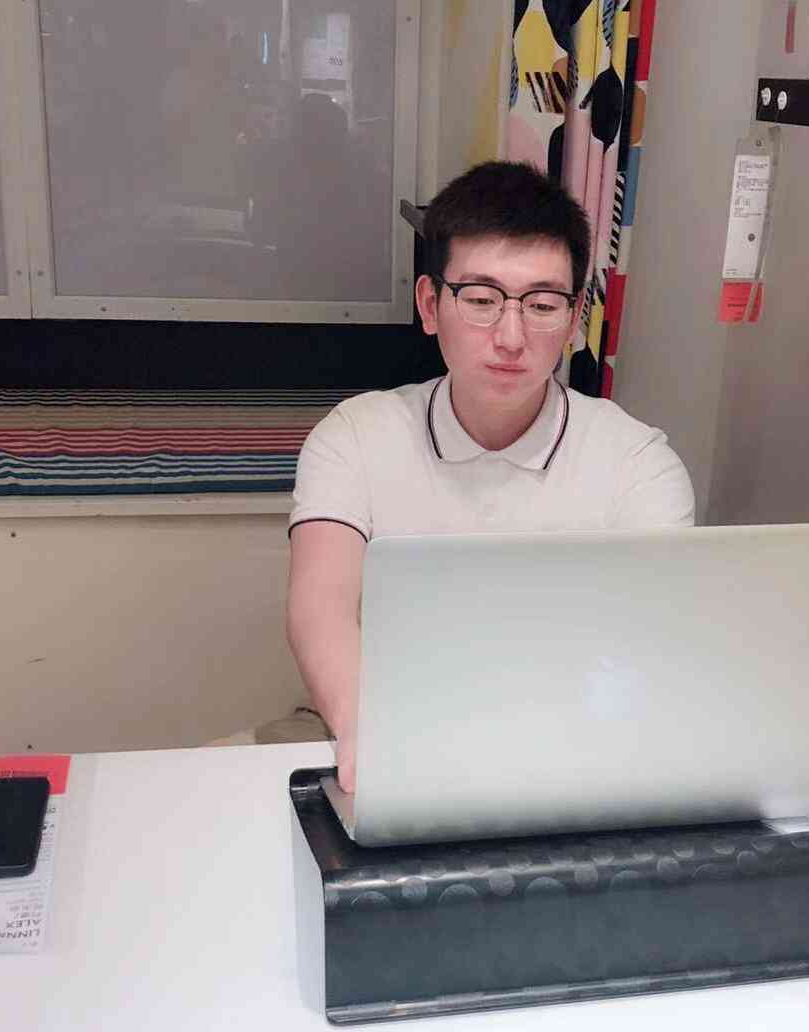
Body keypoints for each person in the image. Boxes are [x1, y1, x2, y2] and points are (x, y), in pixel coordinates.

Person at [286, 161, 694, 793]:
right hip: (392, 742)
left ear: (574, 318)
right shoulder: (356, 436)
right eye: (480, 300)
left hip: (574, 761)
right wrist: (368, 731)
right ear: (430, 305)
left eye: (542, 305)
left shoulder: (637, 463)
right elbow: (322, 603)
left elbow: (649, 643)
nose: (510, 336)